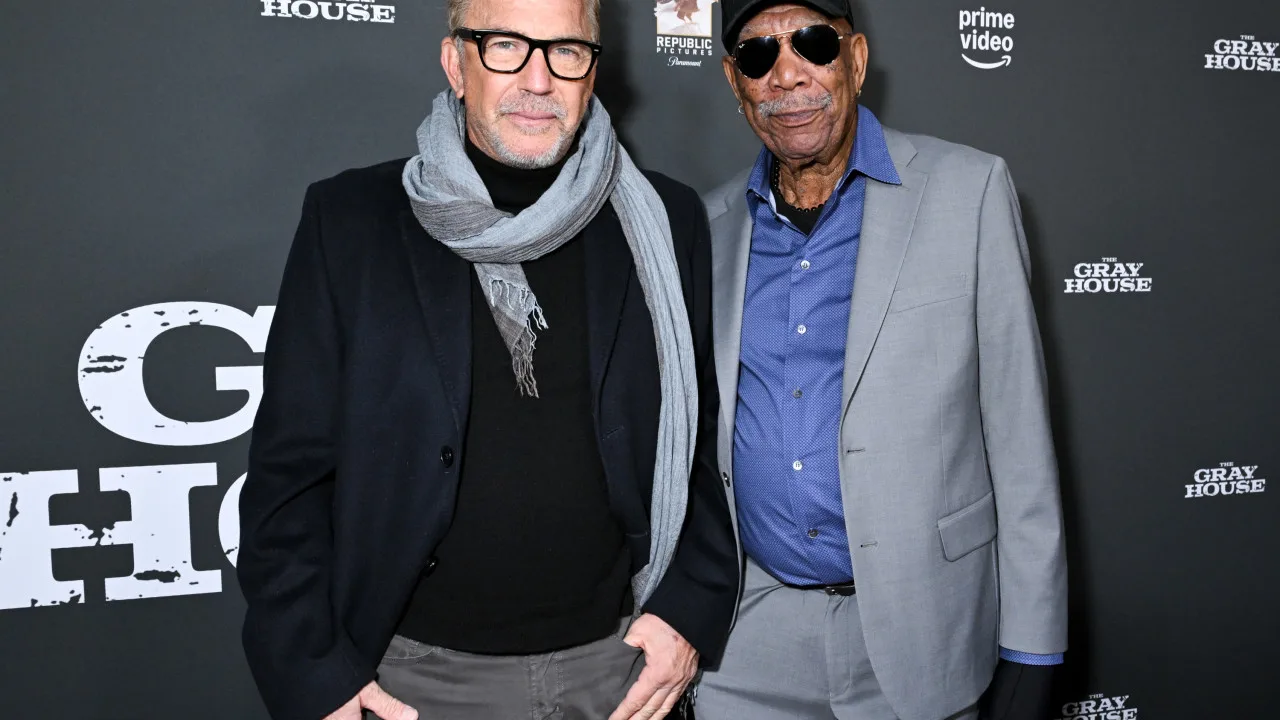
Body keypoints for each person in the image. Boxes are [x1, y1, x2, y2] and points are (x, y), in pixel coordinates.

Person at [235, 0, 738, 718]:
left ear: (593, 71)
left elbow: (703, 443)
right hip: (413, 678)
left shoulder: (665, 219)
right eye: (505, 45)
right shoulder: (352, 220)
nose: (538, 79)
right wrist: (315, 675)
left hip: (617, 671)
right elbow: (290, 475)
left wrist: (688, 609)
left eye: (566, 50)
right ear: (456, 63)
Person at [696, 1, 1068, 719]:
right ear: (735, 81)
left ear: (856, 60)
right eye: (758, 55)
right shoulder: (709, 228)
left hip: (924, 632)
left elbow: (1019, 434)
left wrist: (1034, 646)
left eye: (812, 44)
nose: (787, 76)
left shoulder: (969, 190)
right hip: (749, 643)